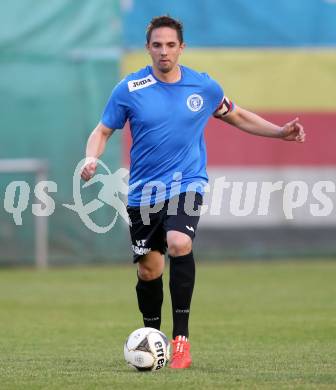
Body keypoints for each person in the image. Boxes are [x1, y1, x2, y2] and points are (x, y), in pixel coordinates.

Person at [81, 15, 305, 369]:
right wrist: (90, 159)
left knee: (179, 243)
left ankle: (181, 339)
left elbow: (238, 115)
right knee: (149, 271)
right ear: (148, 48)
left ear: (181, 48)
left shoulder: (204, 87)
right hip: (143, 193)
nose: (164, 52)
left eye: (171, 45)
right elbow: (102, 130)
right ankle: (153, 339)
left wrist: (279, 132)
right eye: (157, 45)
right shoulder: (129, 89)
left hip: (187, 184)